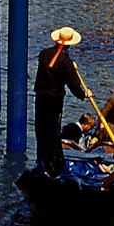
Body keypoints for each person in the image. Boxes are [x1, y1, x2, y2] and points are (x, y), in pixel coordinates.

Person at [34, 26, 87, 177]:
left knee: (41, 129)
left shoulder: (44, 54)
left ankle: (41, 162)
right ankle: (50, 168)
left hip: (40, 97)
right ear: (69, 44)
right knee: (51, 131)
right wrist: (84, 95)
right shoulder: (66, 62)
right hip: (54, 101)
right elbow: (75, 86)